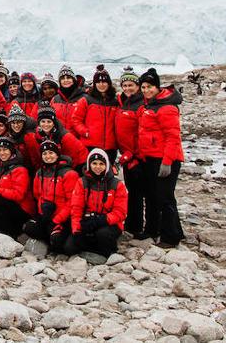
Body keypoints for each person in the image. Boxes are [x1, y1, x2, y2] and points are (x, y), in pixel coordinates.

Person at [136, 68, 185, 246]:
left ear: (157, 87)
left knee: (165, 197)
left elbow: (173, 137)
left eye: (150, 86)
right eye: (143, 87)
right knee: (153, 195)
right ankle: (154, 230)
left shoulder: (166, 107)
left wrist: (167, 162)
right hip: (150, 158)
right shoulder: (150, 104)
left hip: (164, 159)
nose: (146, 90)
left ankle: (171, 237)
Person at [22, 140, 79, 254]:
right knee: (29, 228)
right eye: (45, 154)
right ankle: (50, 238)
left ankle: (56, 239)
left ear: (57, 154)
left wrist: (56, 219)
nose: (48, 156)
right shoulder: (39, 173)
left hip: (62, 218)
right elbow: (38, 195)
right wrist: (42, 214)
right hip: (46, 215)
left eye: (51, 153)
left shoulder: (69, 174)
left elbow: (72, 202)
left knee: (61, 245)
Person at [70, 148, 129, 257]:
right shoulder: (82, 182)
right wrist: (76, 230)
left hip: (109, 223)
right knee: (70, 246)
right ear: (89, 164)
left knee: (102, 234)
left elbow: (121, 212)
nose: (97, 167)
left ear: (106, 165)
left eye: (101, 164)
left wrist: (102, 219)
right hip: (88, 220)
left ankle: (105, 250)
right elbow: (76, 208)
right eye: (94, 163)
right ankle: (95, 248)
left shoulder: (117, 185)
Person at [116, 70, 145, 236]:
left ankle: (138, 226)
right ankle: (132, 223)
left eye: (131, 85)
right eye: (125, 85)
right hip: (126, 155)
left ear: (137, 86)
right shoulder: (123, 102)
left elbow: (143, 132)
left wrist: (134, 154)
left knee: (138, 191)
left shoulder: (141, 104)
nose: (128, 88)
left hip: (136, 155)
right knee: (131, 189)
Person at [79, 66, 118, 162]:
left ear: (109, 83)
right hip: (90, 145)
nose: (101, 84)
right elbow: (76, 119)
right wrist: (85, 132)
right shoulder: (87, 100)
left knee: (108, 175)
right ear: (94, 84)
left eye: (104, 82)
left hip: (110, 147)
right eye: (98, 82)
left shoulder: (115, 102)